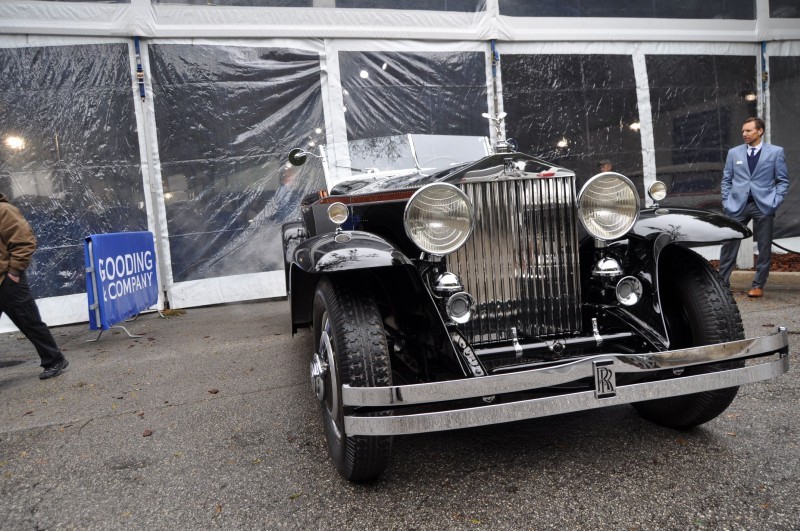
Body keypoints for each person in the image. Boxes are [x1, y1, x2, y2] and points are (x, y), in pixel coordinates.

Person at [718, 117, 790, 298]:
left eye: (749, 130)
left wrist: (775, 201)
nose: (745, 134)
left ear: (760, 131)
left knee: (764, 247)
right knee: (728, 245)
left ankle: (758, 285)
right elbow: (726, 180)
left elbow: (782, 180)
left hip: (764, 205)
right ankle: (722, 285)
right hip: (737, 206)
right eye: (743, 131)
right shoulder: (734, 153)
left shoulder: (775, 152)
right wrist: (727, 202)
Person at [0, 192, 69, 379]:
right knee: (29, 321)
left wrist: (14, 273)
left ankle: (55, 359)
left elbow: (25, 241)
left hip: (7, 281)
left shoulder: (4, 211)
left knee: (29, 322)